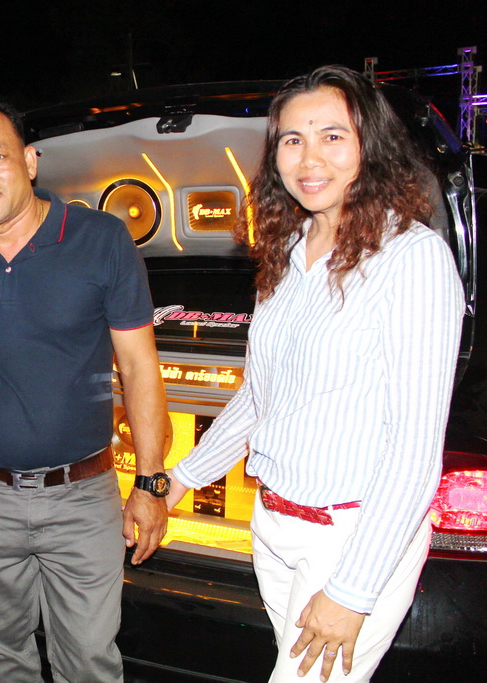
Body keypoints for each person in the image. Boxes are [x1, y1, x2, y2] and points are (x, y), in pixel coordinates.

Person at [165, 65, 464, 683]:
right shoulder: (288, 250)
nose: (309, 158)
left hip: (351, 536)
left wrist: (353, 589)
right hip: (274, 526)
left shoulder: (411, 258)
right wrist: (179, 480)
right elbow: (260, 398)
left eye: (332, 136)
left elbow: (414, 448)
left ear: (370, 145)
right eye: (292, 139)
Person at [0, 99, 169, 683]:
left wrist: (151, 482)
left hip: (81, 497)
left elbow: (139, 367)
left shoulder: (102, 239)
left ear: (30, 161)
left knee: (88, 661)